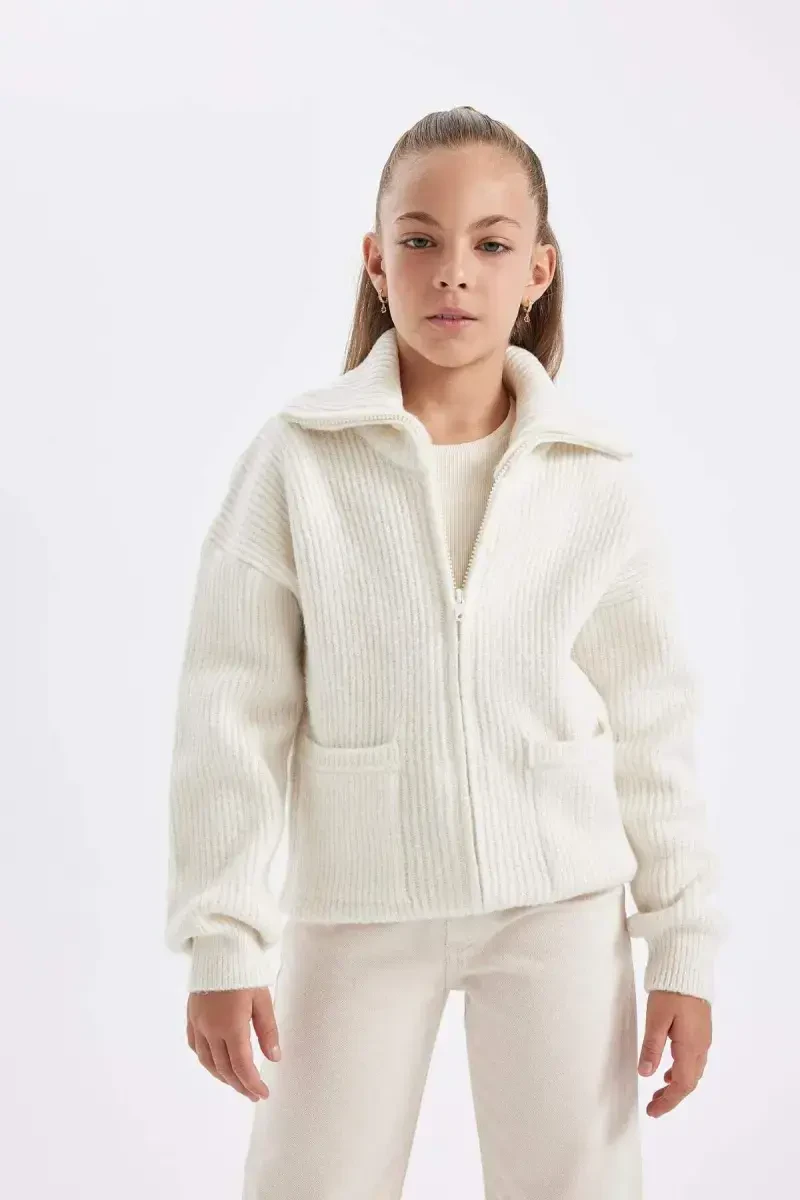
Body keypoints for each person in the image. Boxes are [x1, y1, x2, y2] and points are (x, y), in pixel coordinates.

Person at [164, 105, 726, 1199]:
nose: (453, 271)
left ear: (537, 271)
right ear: (376, 264)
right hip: (358, 903)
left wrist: (683, 946)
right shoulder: (297, 461)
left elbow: (654, 724)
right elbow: (230, 712)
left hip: (561, 904)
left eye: (490, 243)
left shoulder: (596, 476)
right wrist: (222, 938)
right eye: (419, 239)